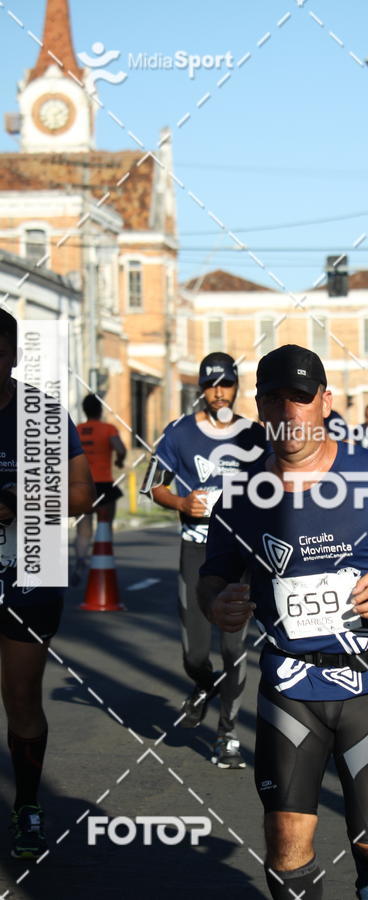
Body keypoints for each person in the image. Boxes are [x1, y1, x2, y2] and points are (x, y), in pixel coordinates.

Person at [198, 344, 368, 900]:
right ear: (260, 408)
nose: (288, 411)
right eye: (274, 399)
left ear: (325, 401)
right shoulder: (241, 492)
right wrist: (216, 603)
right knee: (286, 843)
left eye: (300, 397)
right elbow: (212, 576)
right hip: (290, 685)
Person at [0, 309, 95, 858]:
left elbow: (83, 496)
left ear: (14, 356)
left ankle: (28, 806)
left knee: (20, 695)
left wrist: (21, 500)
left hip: (31, 566)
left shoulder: (41, 414)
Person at [149, 352, 267, 768]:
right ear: (201, 389)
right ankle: (203, 683)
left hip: (239, 553)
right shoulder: (179, 433)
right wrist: (182, 502)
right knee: (194, 653)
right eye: (211, 385)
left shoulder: (253, 435)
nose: (219, 393)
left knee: (234, 647)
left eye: (226, 384)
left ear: (236, 387)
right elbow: (154, 486)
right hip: (196, 549)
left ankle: (227, 735)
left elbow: (274, 487)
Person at [72, 394, 127, 585]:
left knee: (83, 529)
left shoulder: (77, 429)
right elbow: (120, 449)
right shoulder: (108, 429)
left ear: (84, 410)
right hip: (104, 485)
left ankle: (80, 561)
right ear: (100, 409)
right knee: (105, 526)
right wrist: (119, 461)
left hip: (82, 485)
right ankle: (104, 561)